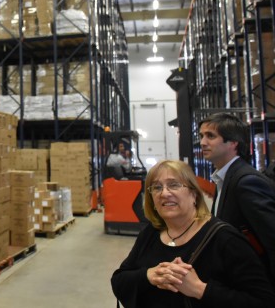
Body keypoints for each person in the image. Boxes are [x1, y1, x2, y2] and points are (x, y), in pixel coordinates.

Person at [111, 159, 274, 307]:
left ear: (194, 194)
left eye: (174, 185)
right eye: (157, 187)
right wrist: (148, 275)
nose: (164, 193)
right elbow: (119, 280)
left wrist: (200, 289)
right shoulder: (151, 233)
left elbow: (263, 301)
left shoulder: (225, 239)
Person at [199, 112, 275, 282]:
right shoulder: (225, 178)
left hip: (255, 281)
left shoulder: (246, 182)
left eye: (210, 136)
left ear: (233, 142)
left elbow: (272, 238)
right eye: (202, 136)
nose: (203, 142)